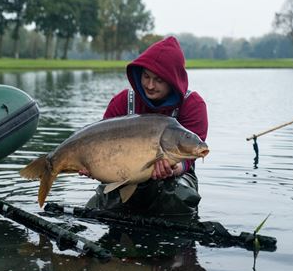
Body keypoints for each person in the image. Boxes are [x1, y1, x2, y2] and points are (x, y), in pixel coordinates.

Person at [83, 36, 209, 217]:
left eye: (158, 80)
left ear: (172, 80)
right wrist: (92, 166)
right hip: (123, 175)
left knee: (178, 196)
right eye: (146, 77)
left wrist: (176, 168)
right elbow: (102, 145)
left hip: (176, 177)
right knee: (100, 205)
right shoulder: (123, 101)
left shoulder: (193, 104)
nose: (150, 85)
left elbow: (190, 155)